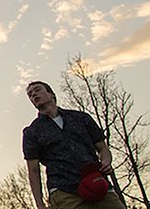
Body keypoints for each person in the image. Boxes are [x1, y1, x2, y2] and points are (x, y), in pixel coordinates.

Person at [22, 81, 124, 209]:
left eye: (37, 90)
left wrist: (106, 162)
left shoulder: (81, 118)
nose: (34, 95)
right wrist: (39, 204)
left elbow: (103, 148)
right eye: (30, 95)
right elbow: (33, 170)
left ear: (51, 94)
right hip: (64, 191)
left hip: (97, 183)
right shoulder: (32, 131)